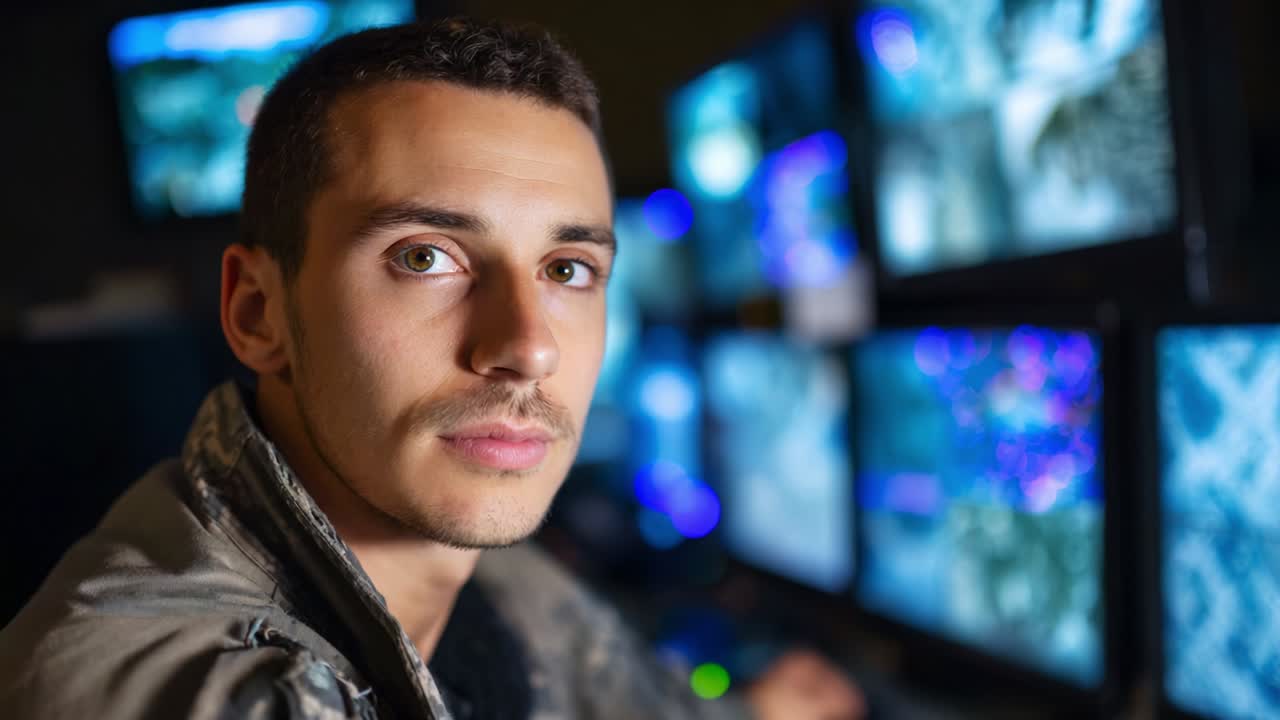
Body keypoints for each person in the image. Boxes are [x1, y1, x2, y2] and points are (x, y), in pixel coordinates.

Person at [0, 17, 865, 720]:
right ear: (258, 313)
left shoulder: (477, 551)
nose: (528, 347)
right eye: (426, 258)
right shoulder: (190, 692)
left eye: (567, 270)